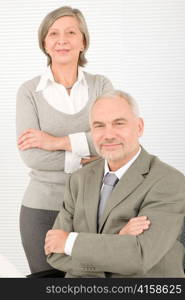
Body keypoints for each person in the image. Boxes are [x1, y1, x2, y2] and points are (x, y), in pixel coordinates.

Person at [45, 90, 185, 278]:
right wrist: (118, 241)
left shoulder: (169, 182)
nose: (108, 135)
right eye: (99, 126)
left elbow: (139, 257)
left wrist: (70, 242)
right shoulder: (79, 179)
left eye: (119, 123)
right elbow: (55, 253)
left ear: (139, 127)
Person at [16, 6, 113, 274]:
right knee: (46, 286)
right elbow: (32, 155)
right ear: (44, 43)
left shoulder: (101, 85)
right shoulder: (29, 92)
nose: (62, 40)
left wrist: (54, 142)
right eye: (53, 33)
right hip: (42, 209)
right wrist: (88, 156)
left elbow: (113, 140)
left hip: (97, 207)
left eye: (71, 32)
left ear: (83, 40)